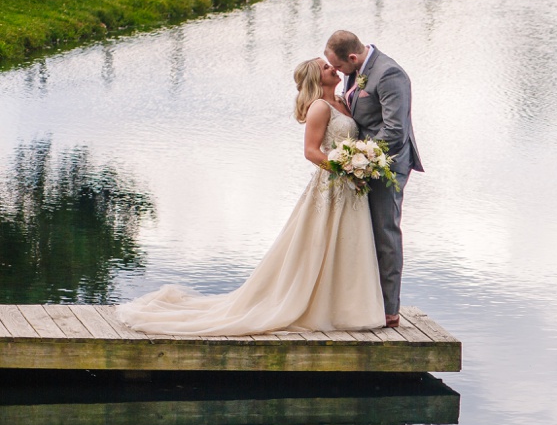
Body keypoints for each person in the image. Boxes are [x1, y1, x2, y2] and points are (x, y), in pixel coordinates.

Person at [115, 59, 384, 335]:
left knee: (348, 242)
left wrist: (358, 163)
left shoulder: (342, 100)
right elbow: (311, 151)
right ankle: (315, 305)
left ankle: (347, 307)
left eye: (330, 65)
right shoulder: (319, 107)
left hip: (351, 186)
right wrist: (343, 166)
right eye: (326, 67)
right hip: (332, 184)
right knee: (322, 242)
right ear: (318, 78)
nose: (333, 68)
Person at [323, 30, 423, 329]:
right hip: (361, 164)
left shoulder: (390, 74)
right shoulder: (357, 72)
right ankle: (363, 302)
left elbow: (395, 131)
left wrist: (360, 158)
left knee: (384, 232)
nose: (338, 74)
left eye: (339, 67)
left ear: (352, 58)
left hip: (387, 165)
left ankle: (390, 310)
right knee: (359, 233)